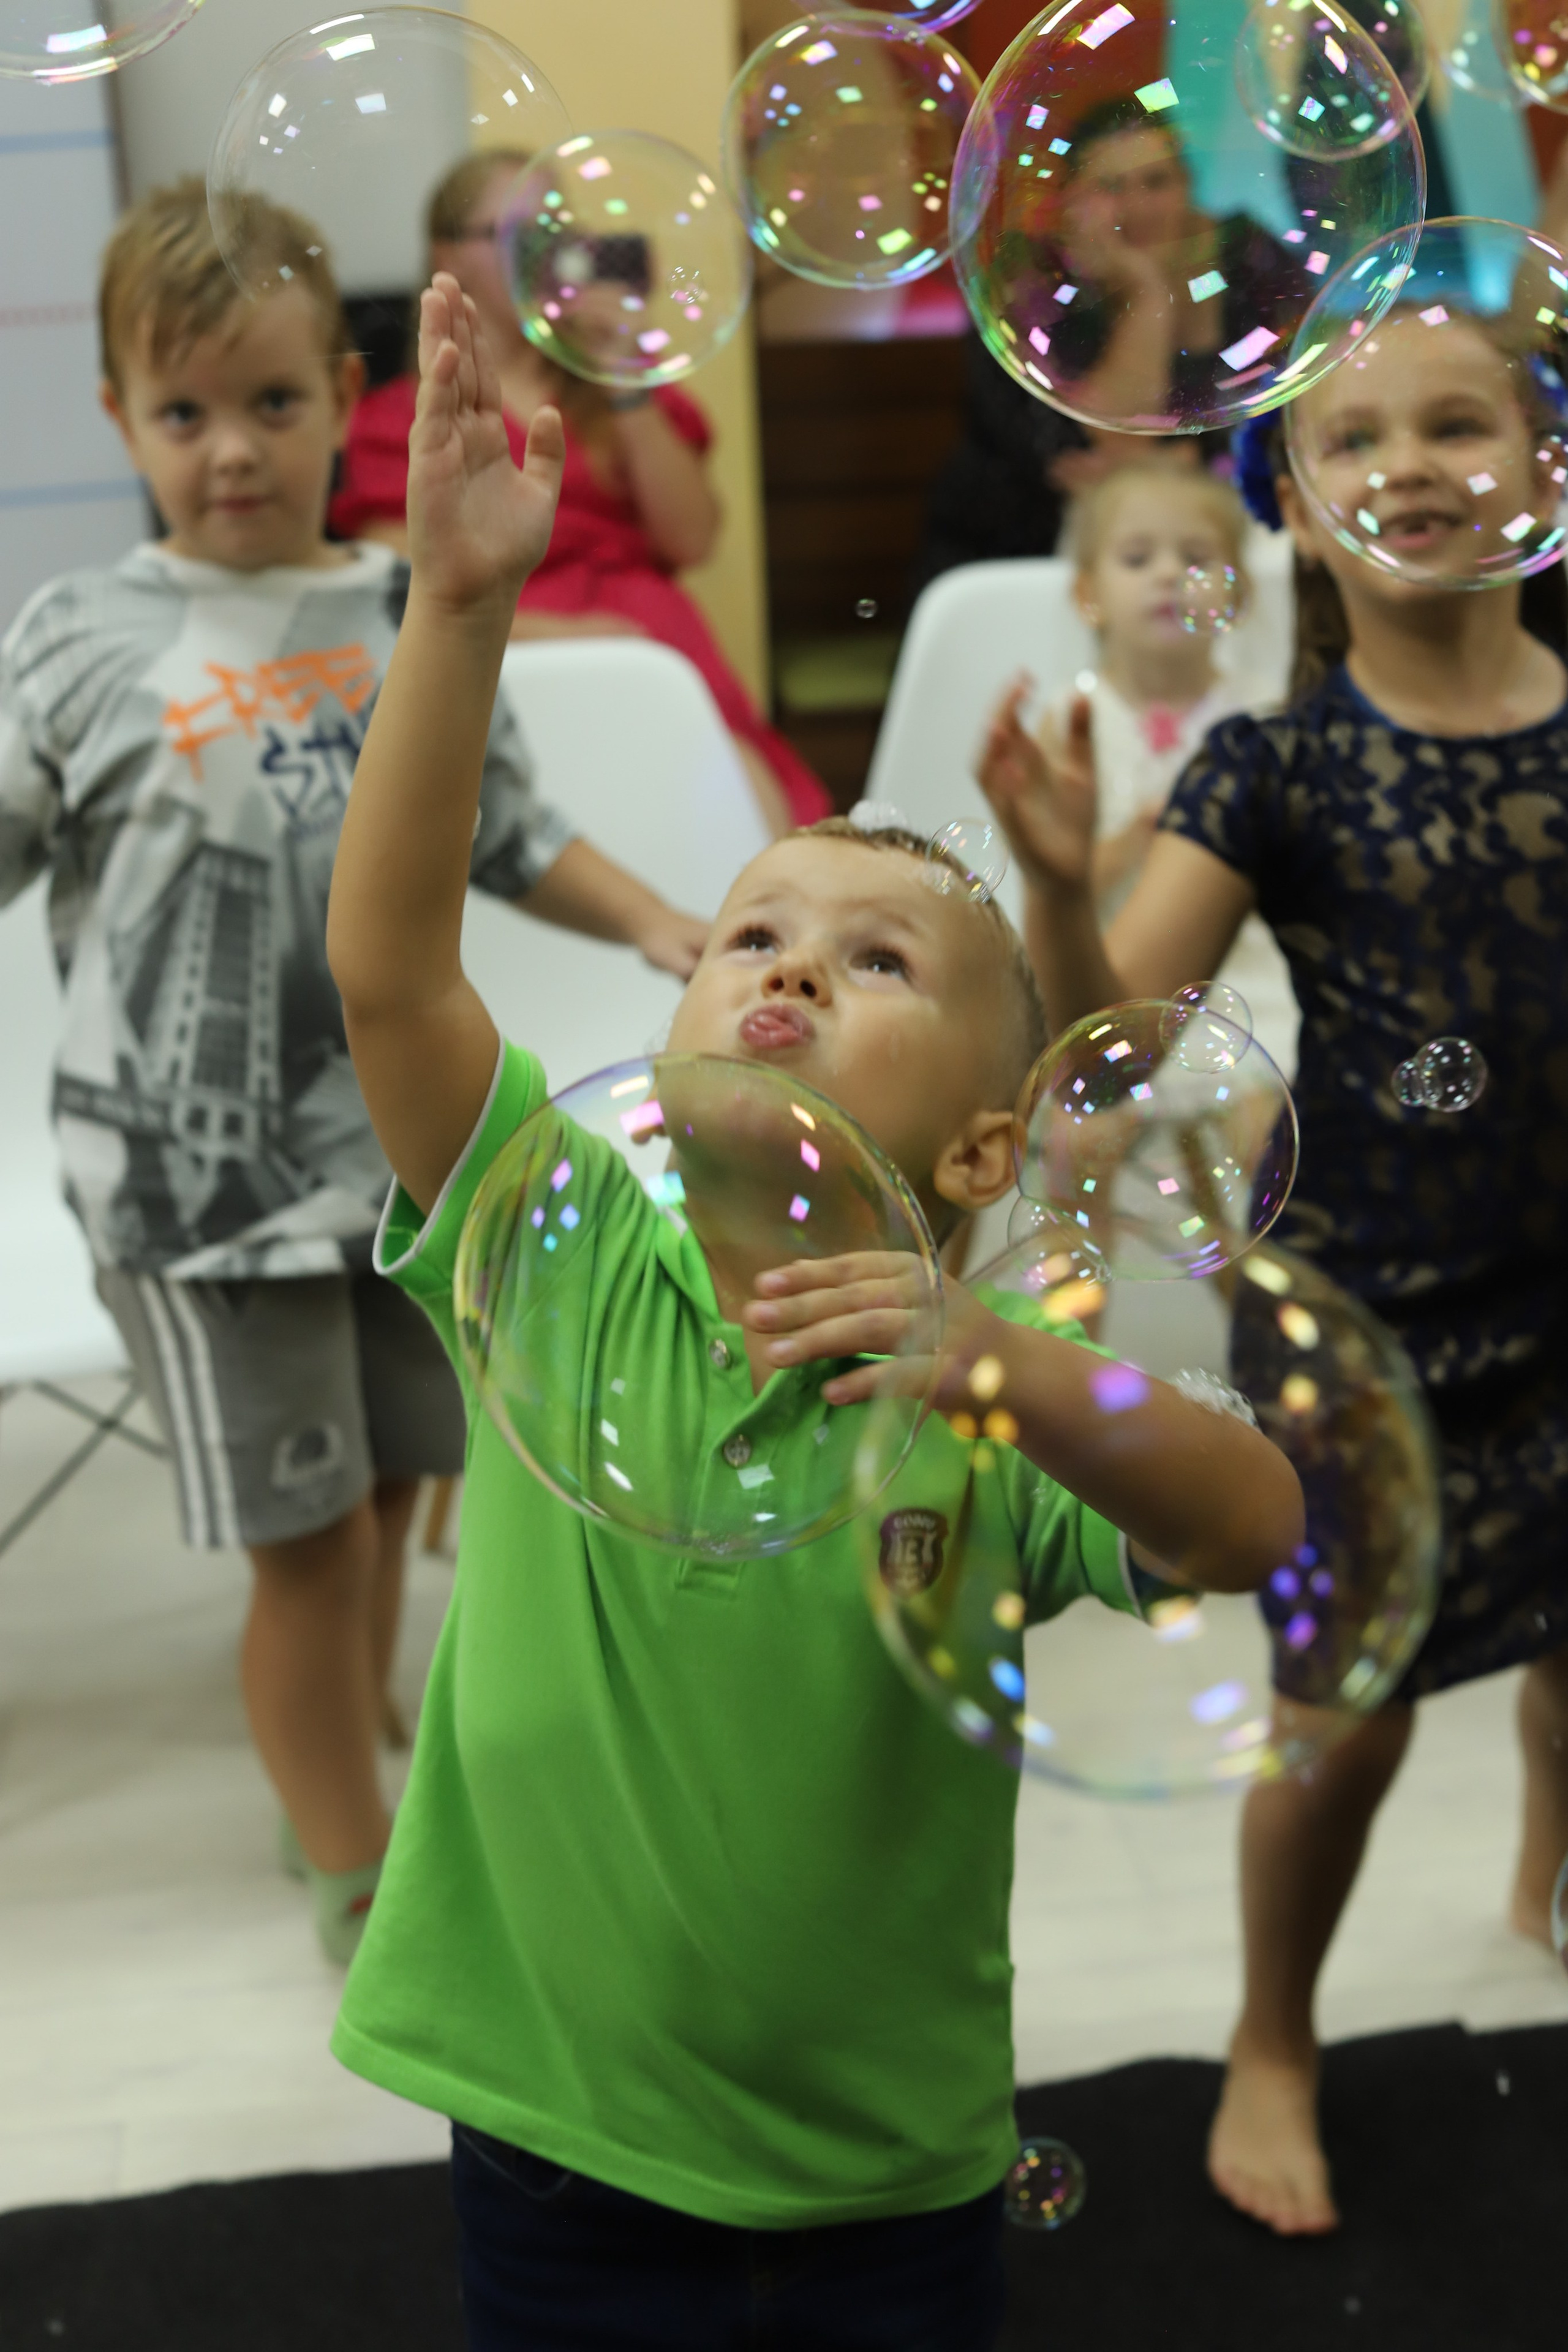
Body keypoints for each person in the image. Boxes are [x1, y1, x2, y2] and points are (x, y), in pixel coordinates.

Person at [322, 270, 1303, 2348]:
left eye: (873, 968)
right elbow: (395, 972)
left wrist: (1004, 1362)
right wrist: (461, 610)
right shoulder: (554, 1248)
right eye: (753, 932)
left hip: (888, 2179)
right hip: (555, 2137)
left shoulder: (988, 1390)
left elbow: (1255, 1526)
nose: (782, 968)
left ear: (975, 1153)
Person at [0, 179, 707, 1967]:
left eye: (272, 401)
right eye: (183, 411)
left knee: (398, 1481)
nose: (231, 450)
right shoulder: (74, 638)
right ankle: (350, 1857)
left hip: (402, 1167)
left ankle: (345, 1727)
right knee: (307, 1545)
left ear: (347, 393)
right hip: (199, 1194)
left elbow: (512, 824)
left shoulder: (410, 599)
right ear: (118, 420)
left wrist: (658, 922)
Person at [976, 302, 1568, 2238]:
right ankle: (1274, 2033)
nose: (1409, 459)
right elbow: (1113, 1050)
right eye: (1357, 440)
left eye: (1457, 420)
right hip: (1371, 1326)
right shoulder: (1276, 763)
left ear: (1542, 469)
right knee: (1350, 1719)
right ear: (1303, 517)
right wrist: (1063, 886)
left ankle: (1539, 1872)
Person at [329, 151, 831, 838]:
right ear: (450, 255)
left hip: (657, 648)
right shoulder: (402, 417)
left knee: (742, 804)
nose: (545, 255)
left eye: (559, 235)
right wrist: (576, 638)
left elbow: (691, 538)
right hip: (516, 656)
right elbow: (394, 581)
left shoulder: (614, 388)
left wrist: (623, 373)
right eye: (517, 235)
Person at [1045, 462, 1297, 1072]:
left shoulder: (1264, 714)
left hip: (1255, 982)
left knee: (1269, 1088)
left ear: (1237, 596)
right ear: (1088, 595)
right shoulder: (1071, 721)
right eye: (1136, 559)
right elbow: (1058, 888)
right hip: (1116, 980)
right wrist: (1132, 844)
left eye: (1195, 558)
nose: (1166, 575)